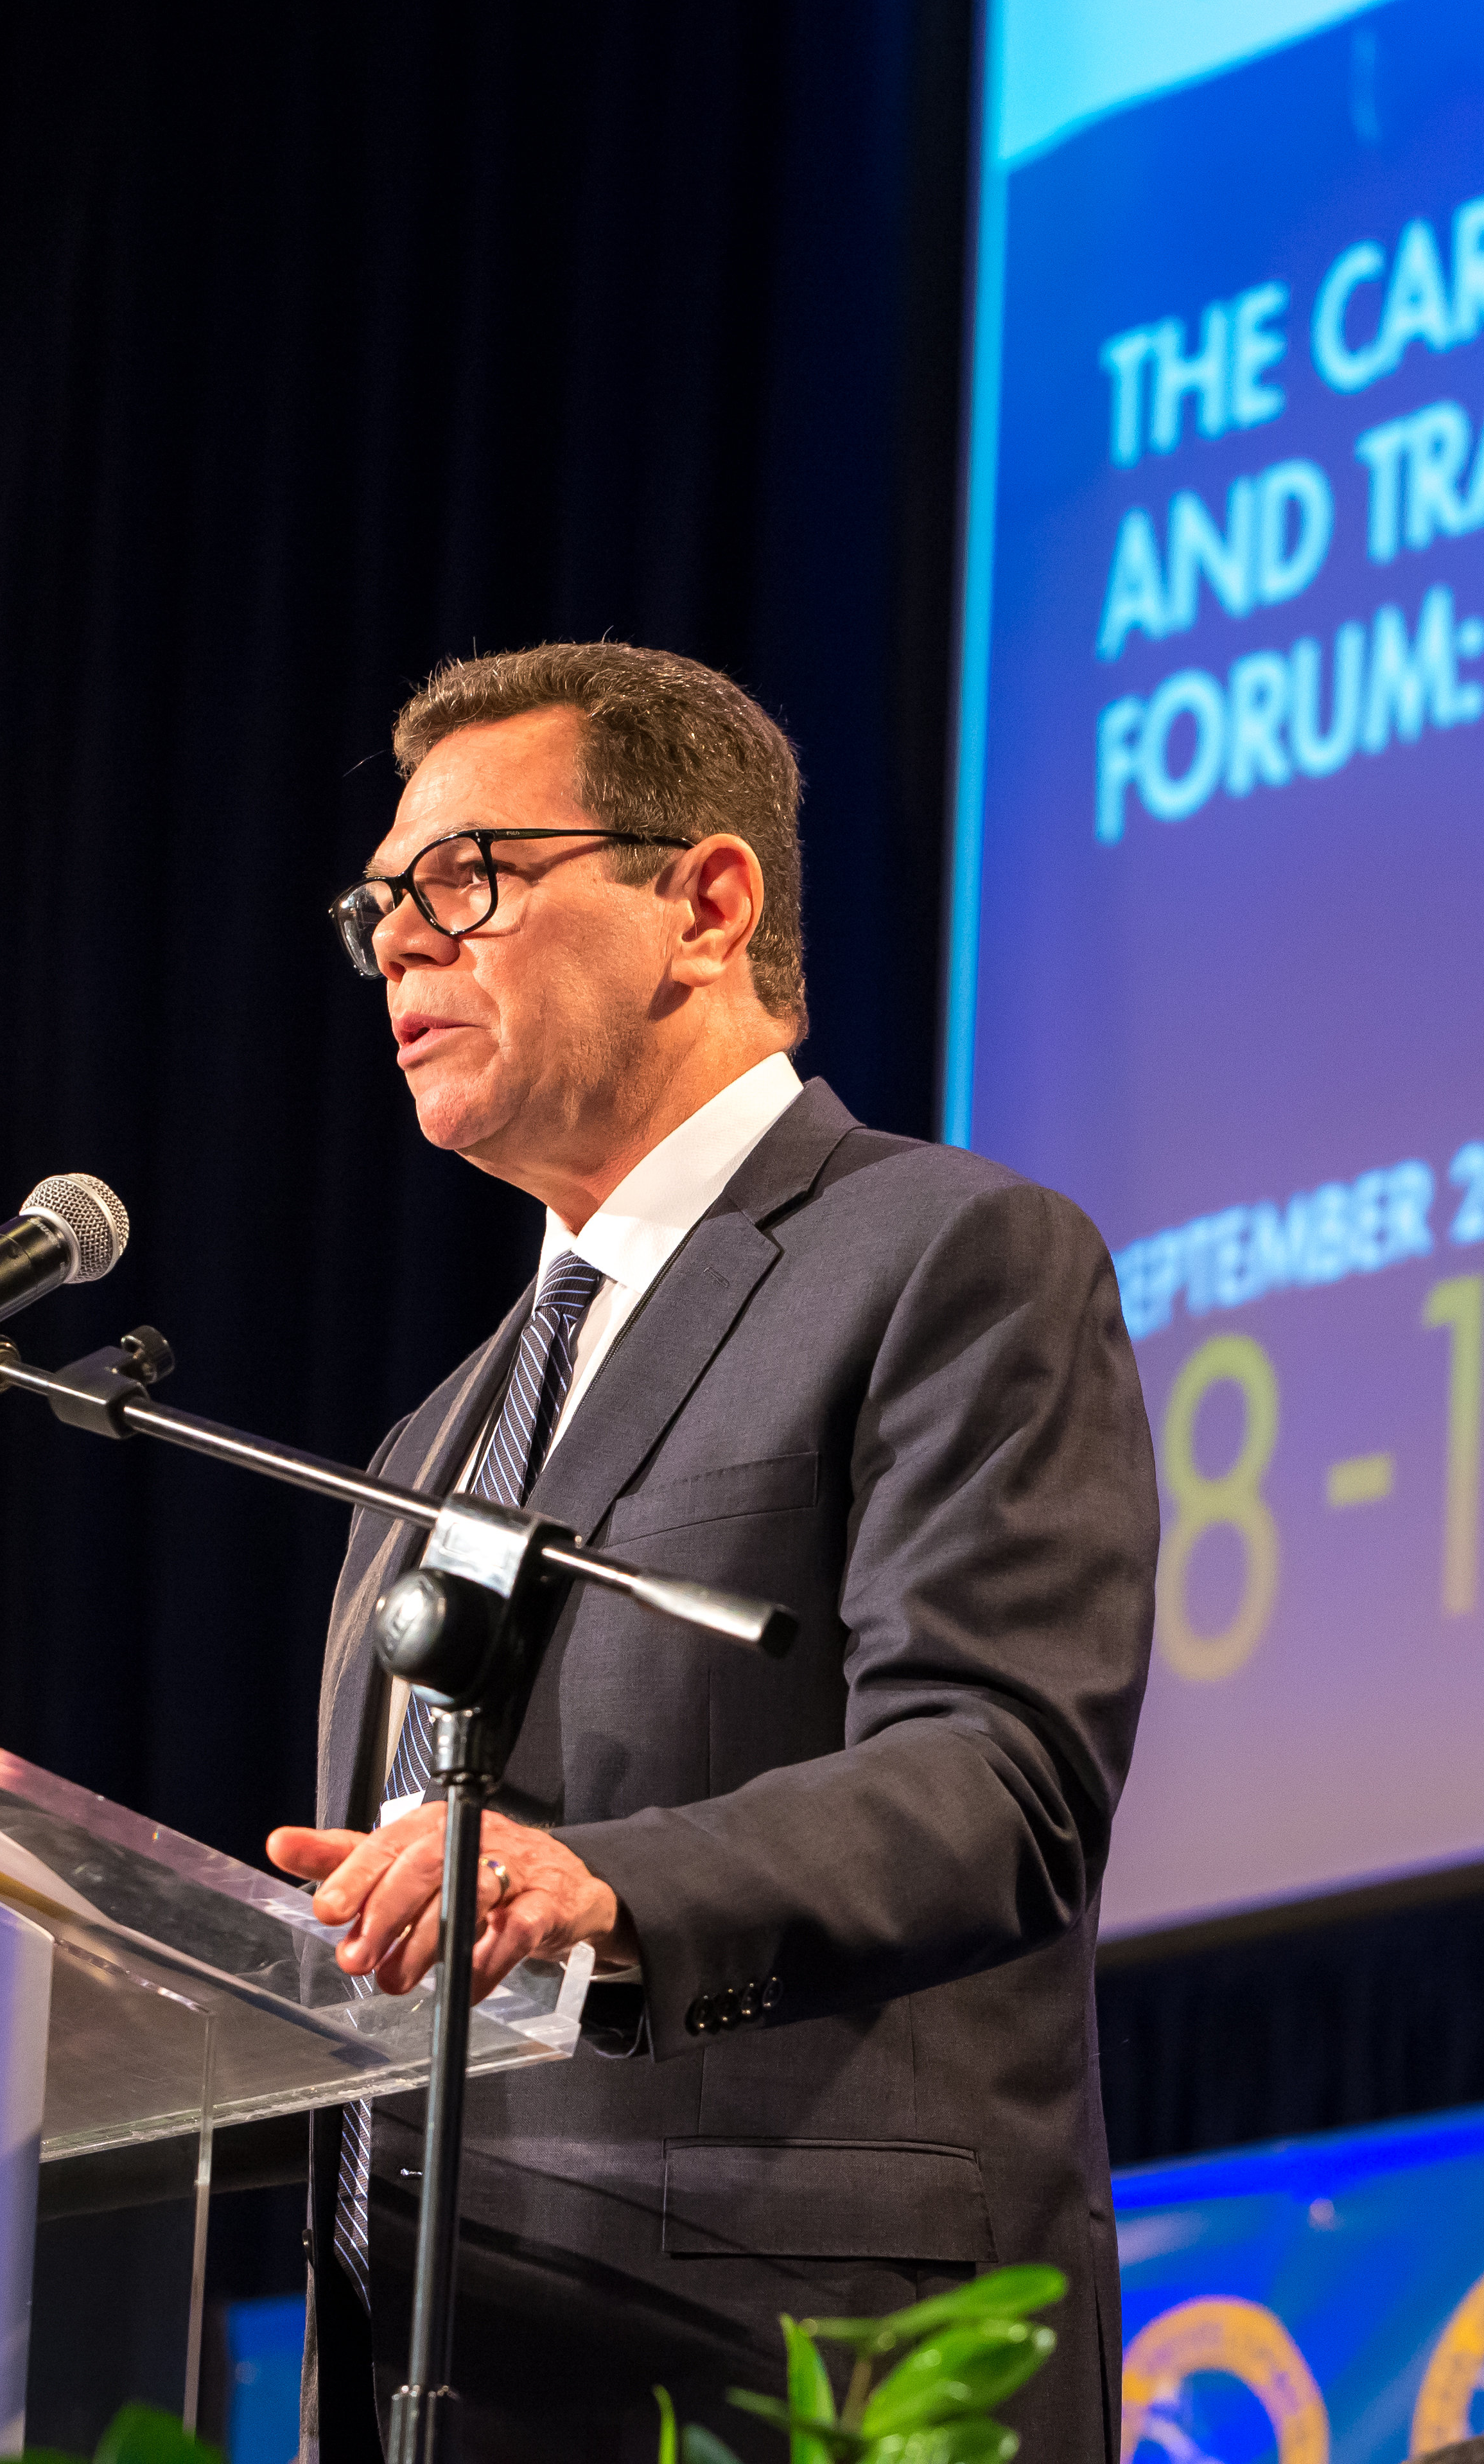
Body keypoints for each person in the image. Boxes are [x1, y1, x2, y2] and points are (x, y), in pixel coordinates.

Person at [263, 642, 1156, 2460]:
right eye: (384, 909)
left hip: (794, 2365)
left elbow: (1000, 1780)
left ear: (707, 903)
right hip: (450, 2377)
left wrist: (602, 1886)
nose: (407, 947)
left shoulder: (949, 1258)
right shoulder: (420, 1450)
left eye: (469, 881)